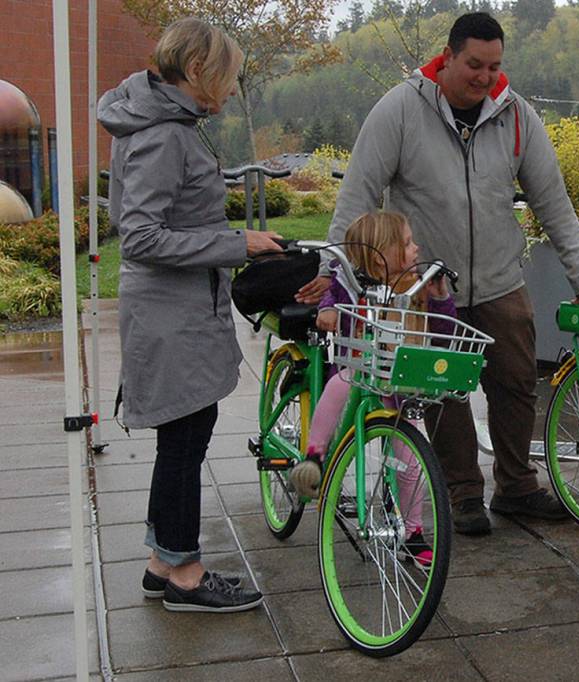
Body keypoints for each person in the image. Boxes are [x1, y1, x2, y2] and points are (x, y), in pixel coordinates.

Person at [328, 12, 579, 536]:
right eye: (474, 65)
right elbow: (356, 200)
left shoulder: (517, 115)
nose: (484, 77)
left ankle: (517, 486)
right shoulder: (400, 110)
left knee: (517, 382)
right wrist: (334, 280)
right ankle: (461, 493)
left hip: (501, 280)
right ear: (449, 57)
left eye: (495, 66)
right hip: (426, 287)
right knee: (443, 393)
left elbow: (554, 204)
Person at [99, 17, 326, 612]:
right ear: (197, 71)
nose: (231, 90)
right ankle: (186, 575)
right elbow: (141, 235)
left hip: (180, 309)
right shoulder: (162, 134)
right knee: (184, 441)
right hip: (170, 314)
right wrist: (237, 244)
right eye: (227, 77)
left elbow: (169, 222)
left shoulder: (165, 122)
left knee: (184, 438)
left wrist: (234, 240)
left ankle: (161, 561)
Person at [291, 211, 455, 566]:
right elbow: (330, 300)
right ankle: (314, 455)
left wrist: (439, 297)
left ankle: (413, 532)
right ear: (382, 251)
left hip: (399, 383)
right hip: (359, 368)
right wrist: (329, 311)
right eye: (407, 243)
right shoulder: (350, 281)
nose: (416, 249)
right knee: (339, 385)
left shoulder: (416, 284)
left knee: (410, 464)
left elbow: (443, 330)